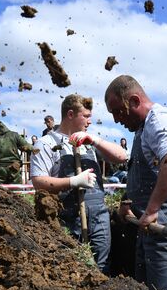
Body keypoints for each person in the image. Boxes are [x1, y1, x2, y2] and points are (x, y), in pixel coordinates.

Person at [104, 75, 167, 290]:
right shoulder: (142, 129)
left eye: (118, 111)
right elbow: (141, 175)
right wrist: (127, 202)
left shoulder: (160, 120)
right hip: (150, 219)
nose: (117, 120)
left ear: (135, 101)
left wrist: (153, 209)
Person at [30, 94, 127, 273]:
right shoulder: (46, 144)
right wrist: (73, 181)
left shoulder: (89, 143)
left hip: (99, 216)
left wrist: (95, 140)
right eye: (86, 116)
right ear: (70, 115)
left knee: (102, 266)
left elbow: (122, 157)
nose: (90, 121)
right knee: (73, 268)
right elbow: (38, 181)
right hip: (67, 218)